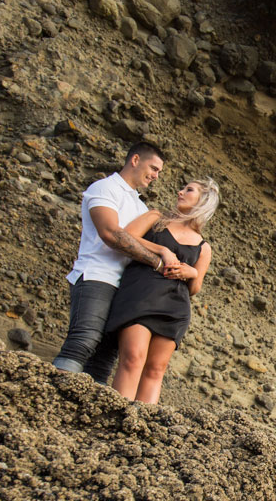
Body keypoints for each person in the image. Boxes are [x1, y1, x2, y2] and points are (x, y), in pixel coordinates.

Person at [53, 142, 180, 380]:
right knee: (84, 340)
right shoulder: (104, 188)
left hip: (124, 289)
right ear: (134, 160)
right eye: (153, 168)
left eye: (159, 172)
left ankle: (85, 413)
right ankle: (49, 398)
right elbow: (111, 233)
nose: (155, 176)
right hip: (96, 276)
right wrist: (158, 262)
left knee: (104, 358)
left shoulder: (140, 206)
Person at [105, 178, 218, 403]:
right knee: (133, 359)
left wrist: (192, 273)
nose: (180, 191)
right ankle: (116, 414)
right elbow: (125, 236)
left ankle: (143, 426)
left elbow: (195, 289)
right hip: (139, 295)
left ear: (203, 201)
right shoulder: (157, 218)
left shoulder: (204, 247)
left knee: (156, 370)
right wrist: (163, 250)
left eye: (189, 190)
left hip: (174, 308)